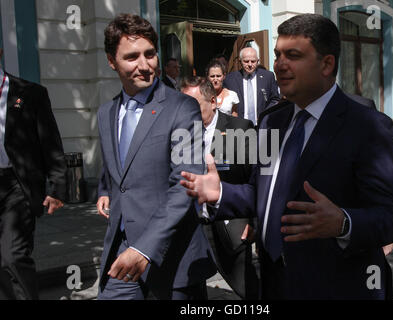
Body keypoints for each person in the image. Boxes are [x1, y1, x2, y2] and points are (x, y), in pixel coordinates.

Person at [180, 14, 393, 299]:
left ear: (327, 64)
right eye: (277, 55)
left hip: (336, 287)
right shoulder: (271, 122)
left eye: (293, 55)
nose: (279, 65)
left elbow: (392, 218)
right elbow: (262, 192)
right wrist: (221, 193)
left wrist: (344, 222)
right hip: (275, 282)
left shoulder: (367, 126)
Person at [96, 14, 216, 300]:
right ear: (112, 61)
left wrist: (144, 248)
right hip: (122, 252)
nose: (144, 65)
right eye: (131, 57)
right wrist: (104, 190)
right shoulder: (105, 113)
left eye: (150, 54)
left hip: (173, 257)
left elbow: (184, 185)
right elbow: (118, 169)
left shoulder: (182, 108)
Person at [181, 76, 259, 299]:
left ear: (213, 102)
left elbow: (256, 180)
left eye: (193, 105)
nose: (187, 111)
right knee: (191, 288)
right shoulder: (180, 133)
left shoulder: (241, 129)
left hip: (229, 225)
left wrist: (255, 222)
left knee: (248, 288)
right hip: (192, 225)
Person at [0, 49, 66, 299]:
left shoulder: (30, 93)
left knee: (14, 255)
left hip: (17, 184)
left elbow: (49, 141)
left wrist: (58, 186)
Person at [223, 47, 279, 124]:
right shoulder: (230, 79)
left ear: (258, 61)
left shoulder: (268, 76)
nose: (250, 64)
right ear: (240, 61)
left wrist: (265, 115)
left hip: (263, 125)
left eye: (253, 61)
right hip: (238, 126)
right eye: (246, 61)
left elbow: (274, 99)